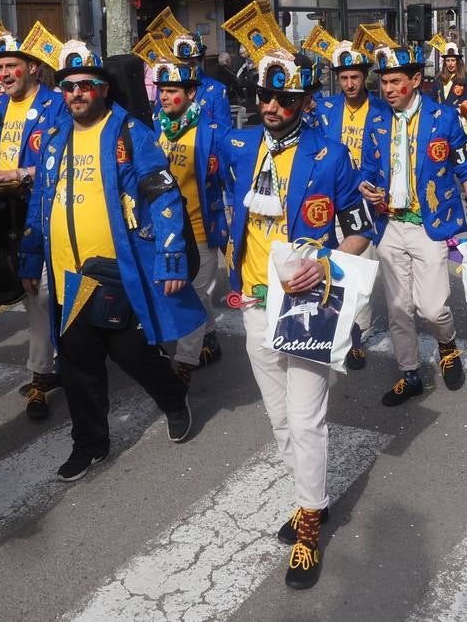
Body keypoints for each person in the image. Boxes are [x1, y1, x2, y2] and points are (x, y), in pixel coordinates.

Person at [216, 40, 373, 589]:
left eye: (284, 99)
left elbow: (359, 228)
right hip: (255, 304)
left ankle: (308, 522)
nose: (272, 107)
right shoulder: (238, 146)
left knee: (306, 419)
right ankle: (315, 498)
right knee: (280, 419)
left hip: (309, 303)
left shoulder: (330, 155)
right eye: (264, 97)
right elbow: (223, 203)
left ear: (304, 102)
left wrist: (325, 265)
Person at [19, 41, 203, 482]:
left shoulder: (130, 132)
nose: (76, 94)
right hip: (66, 272)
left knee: (132, 353)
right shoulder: (56, 136)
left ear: (103, 88)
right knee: (78, 364)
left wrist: (172, 257)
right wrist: (29, 256)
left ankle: (174, 399)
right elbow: (42, 199)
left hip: (114, 271)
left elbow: (162, 195)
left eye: (85, 85)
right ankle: (90, 444)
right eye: (68, 87)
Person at [360, 44, 467, 405]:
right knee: (399, 308)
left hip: (430, 225)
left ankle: (447, 345)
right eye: (384, 81)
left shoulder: (443, 117)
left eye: (395, 81)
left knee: (432, 307)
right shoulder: (377, 120)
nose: (387, 89)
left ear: (415, 80)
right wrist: (367, 188)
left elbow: (466, 168)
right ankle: (410, 373)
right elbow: (368, 170)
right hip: (389, 227)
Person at [0, 17, 66, 420]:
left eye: (12, 66)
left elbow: (63, 163)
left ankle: (44, 373)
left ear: (33, 67)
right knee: (29, 294)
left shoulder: (56, 104)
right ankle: (52, 362)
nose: (4, 74)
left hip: (42, 210)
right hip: (3, 215)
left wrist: (16, 173)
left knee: (40, 293)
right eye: (0, 68)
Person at [311, 40, 389, 370]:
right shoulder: (325, 110)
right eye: (343, 78)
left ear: (365, 77)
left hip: (364, 202)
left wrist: (380, 189)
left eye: (354, 77)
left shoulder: (383, 110)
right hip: (330, 200)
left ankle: (357, 333)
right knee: (329, 264)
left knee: (359, 270)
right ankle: (340, 330)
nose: (349, 84)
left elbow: (391, 155)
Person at [151, 60, 228, 384]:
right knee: (193, 296)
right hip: (164, 232)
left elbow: (231, 182)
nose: (164, 97)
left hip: (199, 230)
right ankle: (209, 335)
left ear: (191, 93)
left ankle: (184, 365)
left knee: (193, 294)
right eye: (162, 91)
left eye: (172, 91)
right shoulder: (155, 127)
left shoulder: (211, 133)